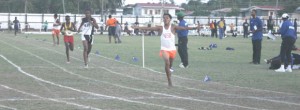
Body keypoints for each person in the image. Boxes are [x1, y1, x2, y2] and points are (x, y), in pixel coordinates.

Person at [131, 13, 199, 87]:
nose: (165, 19)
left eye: (167, 18)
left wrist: (195, 28)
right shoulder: (160, 28)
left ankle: (169, 70)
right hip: (164, 49)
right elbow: (149, 28)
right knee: (167, 61)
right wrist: (137, 27)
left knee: (170, 65)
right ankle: (169, 80)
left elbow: (184, 28)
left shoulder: (173, 27)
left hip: (172, 49)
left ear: (170, 19)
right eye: (164, 18)